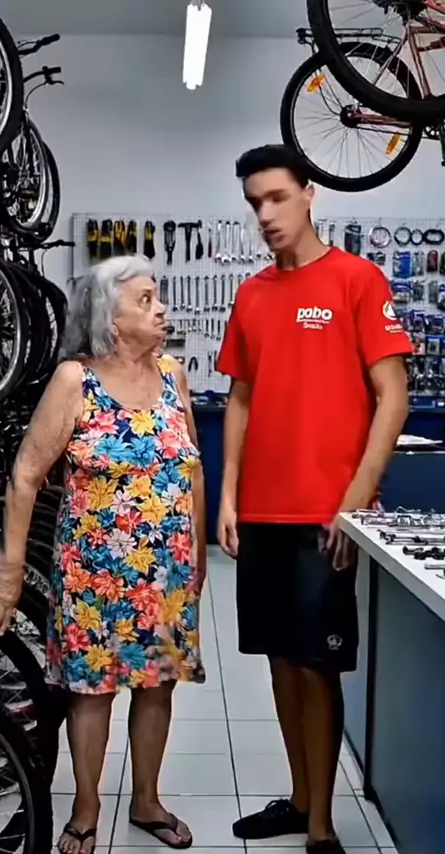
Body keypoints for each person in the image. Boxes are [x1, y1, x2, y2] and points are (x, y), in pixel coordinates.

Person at [216, 145, 411, 854]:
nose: (265, 213)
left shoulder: (357, 279)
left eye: (276, 197)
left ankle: (322, 826)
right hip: (262, 510)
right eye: (255, 202)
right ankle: (301, 799)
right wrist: (228, 495)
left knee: (316, 664)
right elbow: (240, 398)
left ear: (308, 194)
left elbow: (393, 397)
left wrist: (353, 502)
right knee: (278, 657)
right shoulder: (252, 294)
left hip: (324, 514)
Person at [0, 255, 206, 854]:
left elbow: (193, 469)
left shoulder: (174, 374)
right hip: (94, 573)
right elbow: (26, 476)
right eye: (146, 299)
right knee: (92, 690)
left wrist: (199, 556)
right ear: (109, 314)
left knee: (158, 685)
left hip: (167, 572)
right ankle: (85, 808)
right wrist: (8, 574)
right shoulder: (75, 381)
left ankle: (147, 800)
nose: (161, 308)